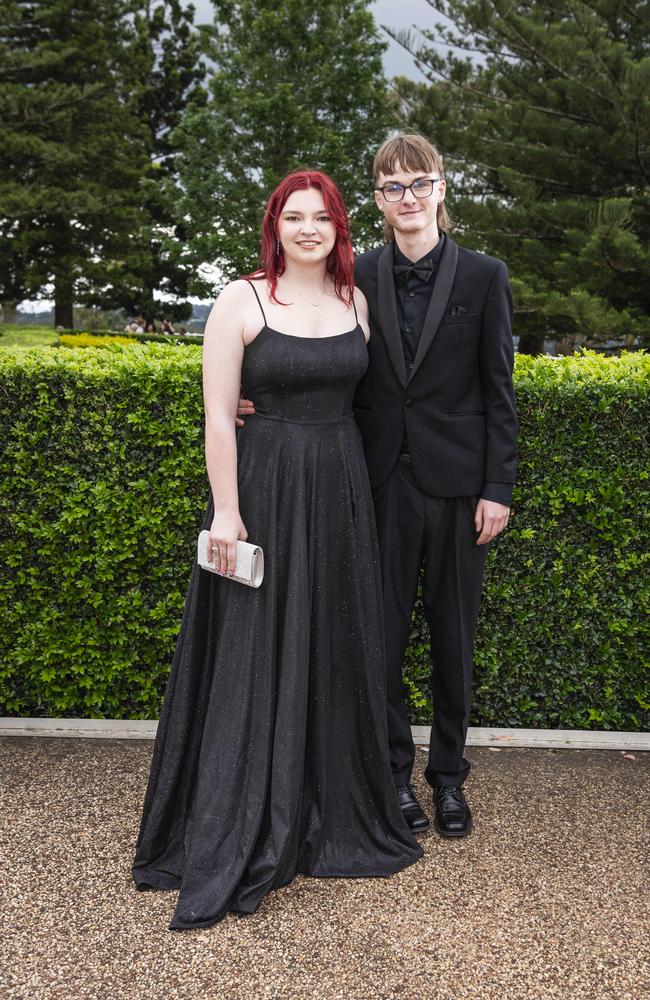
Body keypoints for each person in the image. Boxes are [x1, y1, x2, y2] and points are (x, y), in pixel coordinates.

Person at [132, 169, 422, 930]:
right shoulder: (241, 299)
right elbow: (220, 418)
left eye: (319, 217)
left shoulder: (357, 303)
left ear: (338, 228)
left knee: (331, 644)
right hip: (261, 493)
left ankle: (325, 808)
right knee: (252, 652)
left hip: (340, 493)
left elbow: (369, 402)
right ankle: (241, 816)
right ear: (275, 225)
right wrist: (227, 513)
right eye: (293, 217)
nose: (306, 229)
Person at [240, 134, 517, 839]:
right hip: (375, 484)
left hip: (460, 491)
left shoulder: (486, 276)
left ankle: (449, 780)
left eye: (419, 183)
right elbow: (307, 342)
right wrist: (256, 397)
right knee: (380, 638)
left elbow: (499, 392)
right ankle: (392, 777)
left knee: (454, 640)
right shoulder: (352, 275)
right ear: (377, 199)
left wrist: (498, 486)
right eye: (393, 187)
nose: (408, 197)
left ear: (443, 188)